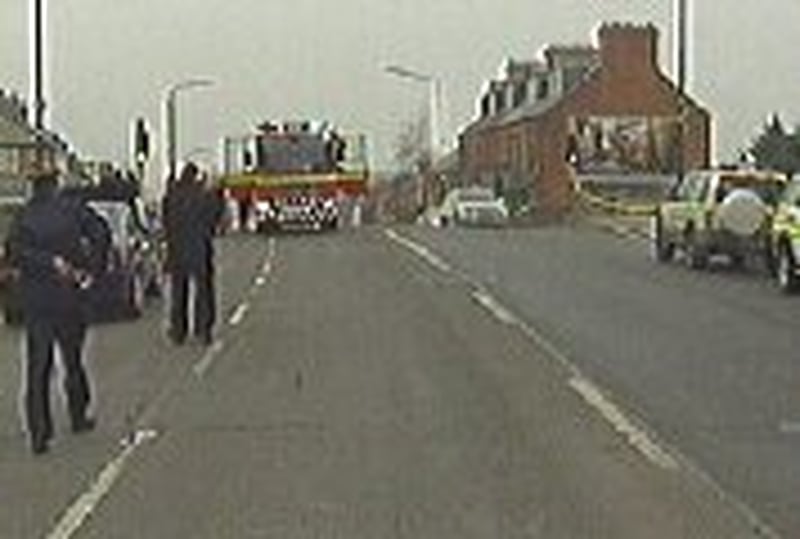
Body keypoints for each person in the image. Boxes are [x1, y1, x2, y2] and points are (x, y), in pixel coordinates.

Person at [6, 171, 111, 455]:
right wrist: (92, 269)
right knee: (73, 359)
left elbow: (14, 252)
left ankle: (39, 432)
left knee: (38, 366)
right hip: (70, 296)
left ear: (33, 186)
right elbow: (101, 231)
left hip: (37, 300)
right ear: (55, 184)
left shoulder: (23, 216)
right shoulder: (72, 209)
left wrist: (48, 262)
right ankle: (78, 414)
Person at [162, 162, 221, 346]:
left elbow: (167, 223)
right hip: (200, 248)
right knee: (203, 291)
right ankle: (203, 330)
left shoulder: (172, 196)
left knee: (179, 291)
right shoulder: (204, 195)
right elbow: (214, 217)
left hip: (177, 249)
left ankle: (178, 331)